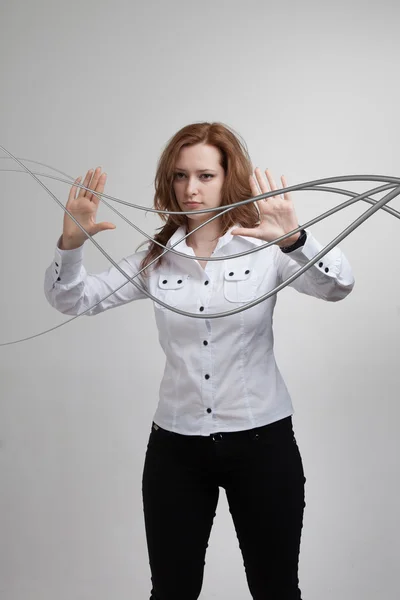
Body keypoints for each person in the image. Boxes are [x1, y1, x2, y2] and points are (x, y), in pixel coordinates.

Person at [44, 122, 354, 600]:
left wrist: (294, 238)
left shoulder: (266, 247)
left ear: (229, 177)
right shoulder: (156, 258)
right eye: (180, 176)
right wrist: (72, 244)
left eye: (205, 175)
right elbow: (74, 300)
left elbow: (337, 286)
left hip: (262, 444)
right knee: (171, 590)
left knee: (276, 589)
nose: (191, 188)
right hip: (176, 450)